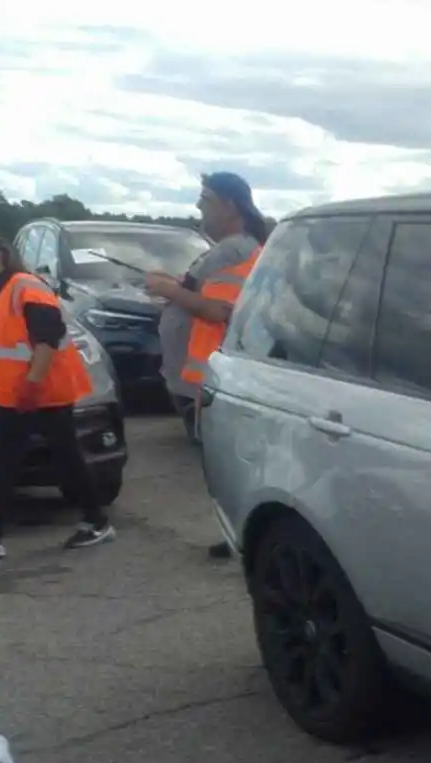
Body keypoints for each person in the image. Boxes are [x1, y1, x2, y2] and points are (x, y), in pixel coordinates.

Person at [146, 172, 267, 558]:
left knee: (228, 466)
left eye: (205, 199)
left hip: (213, 378)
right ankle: (239, 533)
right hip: (202, 376)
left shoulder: (234, 251)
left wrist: (169, 291)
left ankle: (245, 536)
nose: (199, 208)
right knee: (222, 466)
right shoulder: (229, 249)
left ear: (230, 205)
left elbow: (218, 310)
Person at [0, 230, 114, 559]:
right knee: (15, 458)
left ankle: (96, 521)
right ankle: (95, 520)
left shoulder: (24, 285)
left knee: (46, 457)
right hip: (11, 391)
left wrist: (31, 384)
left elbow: (47, 337)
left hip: (39, 389)